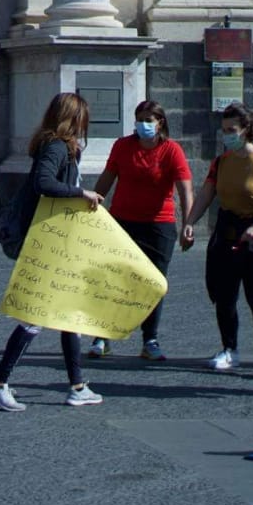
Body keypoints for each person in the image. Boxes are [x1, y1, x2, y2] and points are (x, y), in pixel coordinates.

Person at [0, 92, 103, 411]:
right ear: (73, 119)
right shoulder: (57, 147)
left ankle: (77, 386)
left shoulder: (57, 146)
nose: (84, 125)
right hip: (46, 244)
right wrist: (81, 192)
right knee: (34, 318)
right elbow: (44, 183)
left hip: (54, 243)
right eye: (82, 119)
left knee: (68, 314)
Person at [181, 102, 253, 376]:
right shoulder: (221, 162)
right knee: (224, 294)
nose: (226, 135)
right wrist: (189, 222)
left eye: (231, 130)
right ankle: (229, 350)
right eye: (224, 129)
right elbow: (206, 194)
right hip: (227, 231)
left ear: (246, 129)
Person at [89, 99, 191, 360]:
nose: (143, 124)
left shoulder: (171, 150)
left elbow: (185, 189)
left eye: (149, 120)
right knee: (113, 280)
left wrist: (188, 224)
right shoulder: (122, 146)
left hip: (159, 226)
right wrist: (91, 206)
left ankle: (150, 340)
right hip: (122, 222)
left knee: (153, 284)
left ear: (160, 123)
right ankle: (102, 336)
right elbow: (106, 179)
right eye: (139, 119)